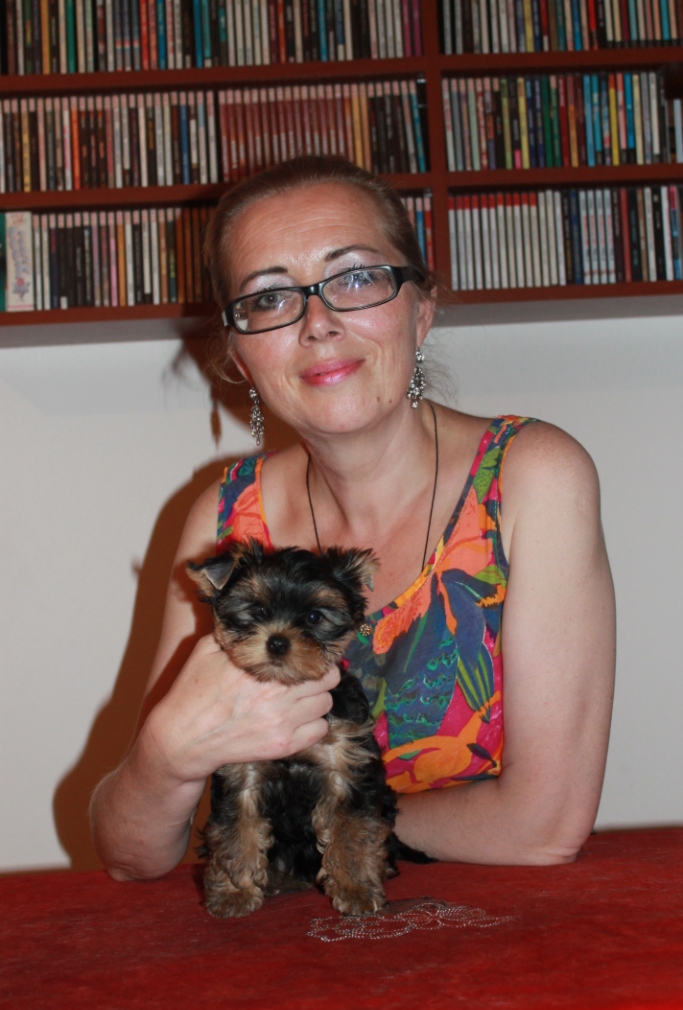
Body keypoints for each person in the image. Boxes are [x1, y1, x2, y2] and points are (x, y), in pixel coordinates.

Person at [90, 156, 616, 881]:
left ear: (420, 309)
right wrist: (165, 755)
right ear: (239, 354)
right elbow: (130, 856)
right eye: (269, 298)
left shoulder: (532, 477)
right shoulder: (225, 520)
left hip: (497, 928)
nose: (318, 323)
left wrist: (333, 831)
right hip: (289, 937)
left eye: (356, 277)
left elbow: (543, 826)